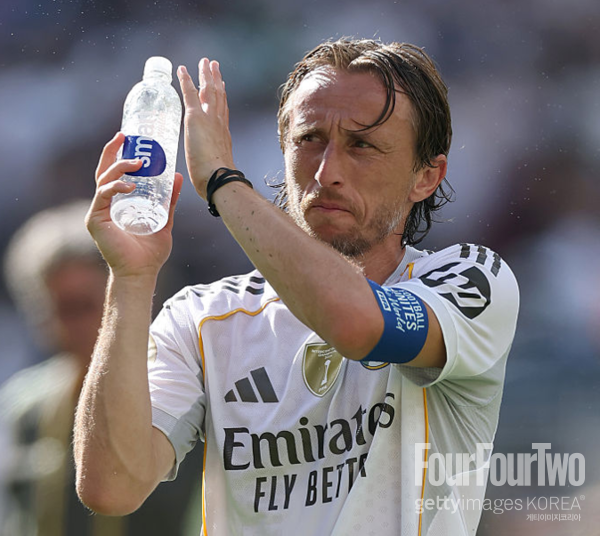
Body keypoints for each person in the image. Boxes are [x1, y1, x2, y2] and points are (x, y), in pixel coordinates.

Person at [74, 38, 519, 536]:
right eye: (309, 139)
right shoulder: (202, 317)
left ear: (426, 176)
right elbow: (111, 488)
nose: (327, 172)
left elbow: (354, 324)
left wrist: (223, 182)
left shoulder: (469, 280)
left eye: (362, 145)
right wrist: (131, 279)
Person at [0, 201, 203, 536]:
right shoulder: (23, 405)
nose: (72, 325)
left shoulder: (178, 394)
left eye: (85, 306)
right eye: (58, 309)